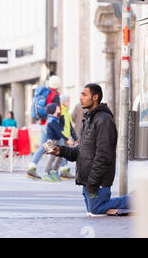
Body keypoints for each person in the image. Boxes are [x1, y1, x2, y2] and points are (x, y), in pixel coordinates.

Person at [50, 83, 130, 216]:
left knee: (96, 209)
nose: (80, 98)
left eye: (84, 94)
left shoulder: (104, 120)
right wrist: (61, 151)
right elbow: (81, 151)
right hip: (87, 181)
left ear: (95, 97)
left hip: (97, 182)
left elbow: (103, 155)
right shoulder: (89, 119)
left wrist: (92, 184)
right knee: (93, 211)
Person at [26, 75, 61, 179]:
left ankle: (32, 167)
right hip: (50, 124)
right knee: (58, 146)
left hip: (43, 123)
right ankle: (52, 171)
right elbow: (56, 110)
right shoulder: (54, 95)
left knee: (45, 146)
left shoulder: (46, 93)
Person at [41, 103, 64, 182]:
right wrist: (67, 139)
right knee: (51, 157)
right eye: (57, 107)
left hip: (55, 140)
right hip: (50, 141)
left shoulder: (55, 119)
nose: (58, 108)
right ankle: (46, 173)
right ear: (53, 109)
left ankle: (53, 171)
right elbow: (59, 132)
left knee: (59, 156)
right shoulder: (51, 120)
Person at [58, 95, 78, 179]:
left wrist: (75, 138)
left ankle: (64, 171)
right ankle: (63, 171)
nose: (69, 103)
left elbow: (70, 126)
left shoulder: (67, 112)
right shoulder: (61, 111)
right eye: (68, 101)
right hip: (61, 136)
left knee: (64, 153)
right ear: (63, 102)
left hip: (66, 136)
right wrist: (65, 138)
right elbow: (58, 126)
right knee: (62, 154)